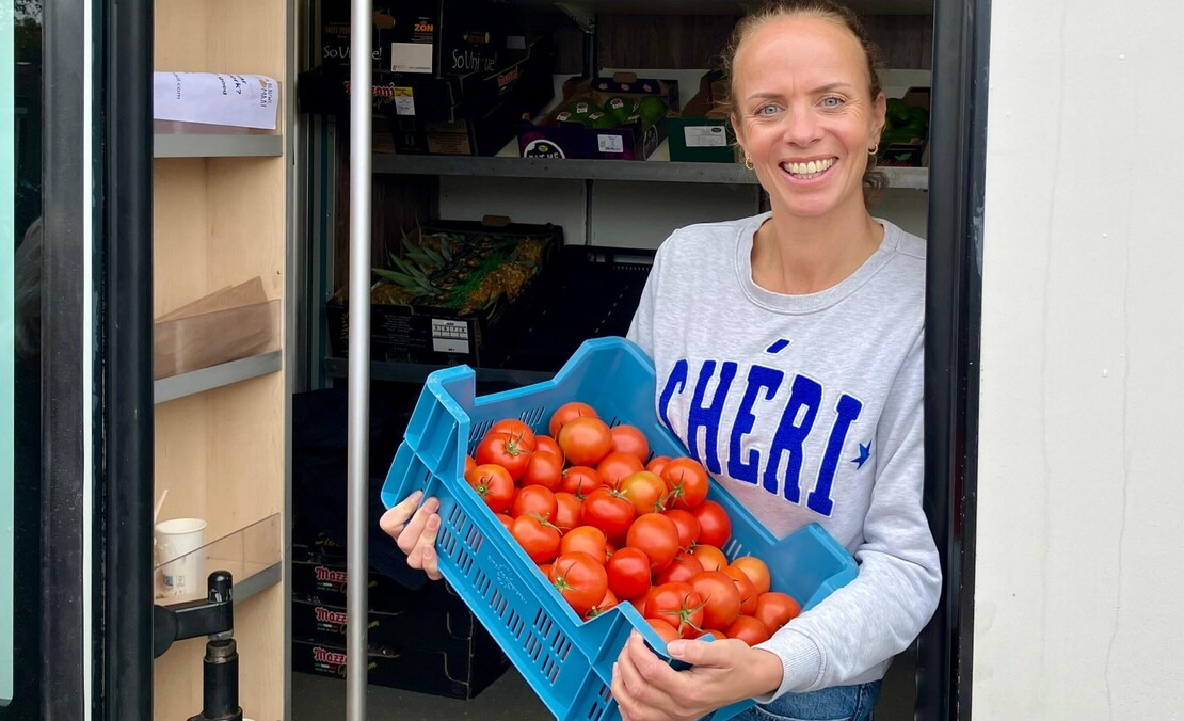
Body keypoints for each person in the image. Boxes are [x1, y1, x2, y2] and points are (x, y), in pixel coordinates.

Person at [379, 2, 942, 719]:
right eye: (769, 107)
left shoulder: (925, 306)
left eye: (831, 99)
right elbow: (613, 461)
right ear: (739, 133)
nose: (803, 131)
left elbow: (908, 567)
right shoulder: (689, 263)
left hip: (801, 685)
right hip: (644, 652)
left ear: (876, 115)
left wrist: (770, 663)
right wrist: (477, 541)